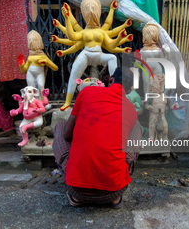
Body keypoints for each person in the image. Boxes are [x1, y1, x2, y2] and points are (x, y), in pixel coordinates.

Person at [52, 66, 142, 208]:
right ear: (130, 89)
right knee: (135, 126)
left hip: (76, 190)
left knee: (61, 126)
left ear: (110, 79)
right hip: (115, 190)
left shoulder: (87, 91)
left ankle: (76, 195)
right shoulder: (131, 108)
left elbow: (67, 135)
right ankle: (115, 198)